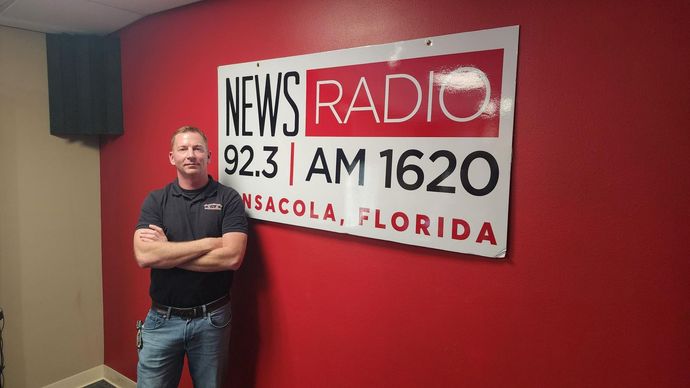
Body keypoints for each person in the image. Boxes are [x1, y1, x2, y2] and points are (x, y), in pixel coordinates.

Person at [133, 126, 248, 388]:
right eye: (183, 149)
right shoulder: (156, 201)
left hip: (213, 319)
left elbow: (231, 258)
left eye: (197, 148)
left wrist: (168, 252)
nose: (191, 154)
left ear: (209, 155)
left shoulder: (228, 199)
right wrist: (209, 242)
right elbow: (143, 255)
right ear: (172, 157)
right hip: (162, 319)